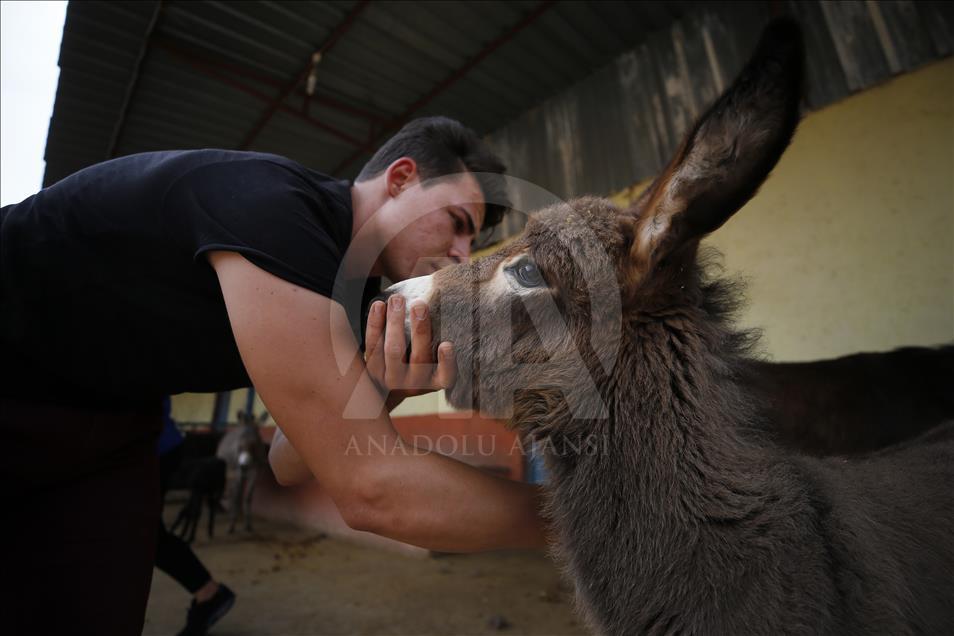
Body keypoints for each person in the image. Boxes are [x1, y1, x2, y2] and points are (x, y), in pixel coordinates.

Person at [0, 116, 548, 634]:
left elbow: (287, 461)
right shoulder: (278, 209)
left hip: (113, 417)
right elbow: (371, 489)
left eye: (471, 240)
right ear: (402, 179)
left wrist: (386, 387)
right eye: (459, 225)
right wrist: (594, 520)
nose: (462, 253)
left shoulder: (356, 303)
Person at [156, 397, 235, 636]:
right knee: (143, 534)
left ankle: (208, 592)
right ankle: (208, 592)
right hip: (153, 441)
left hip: (145, 443)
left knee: (140, 533)